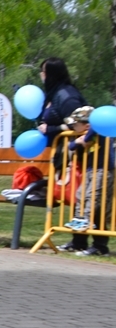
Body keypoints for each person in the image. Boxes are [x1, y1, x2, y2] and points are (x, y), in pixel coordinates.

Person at [58, 107, 112, 256]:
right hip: (90, 170)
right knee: (80, 200)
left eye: (75, 124)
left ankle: (100, 246)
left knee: (93, 203)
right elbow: (71, 146)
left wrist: (86, 138)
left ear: (87, 125)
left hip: (102, 170)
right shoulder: (86, 133)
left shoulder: (99, 130)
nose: (72, 127)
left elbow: (94, 128)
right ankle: (78, 242)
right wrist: (79, 141)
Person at [37, 57, 88, 147]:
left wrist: (50, 129)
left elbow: (79, 123)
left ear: (52, 74)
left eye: (44, 71)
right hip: (51, 150)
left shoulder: (66, 96)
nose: (41, 74)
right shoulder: (52, 94)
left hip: (69, 151)